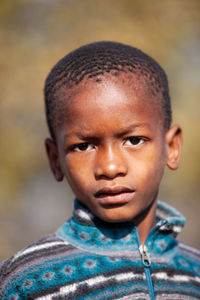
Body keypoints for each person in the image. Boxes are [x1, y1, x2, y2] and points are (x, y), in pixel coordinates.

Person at [0, 41, 199, 300]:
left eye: (134, 140)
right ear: (55, 159)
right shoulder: (26, 282)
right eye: (83, 146)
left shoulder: (194, 274)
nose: (110, 167)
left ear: (171, 147)